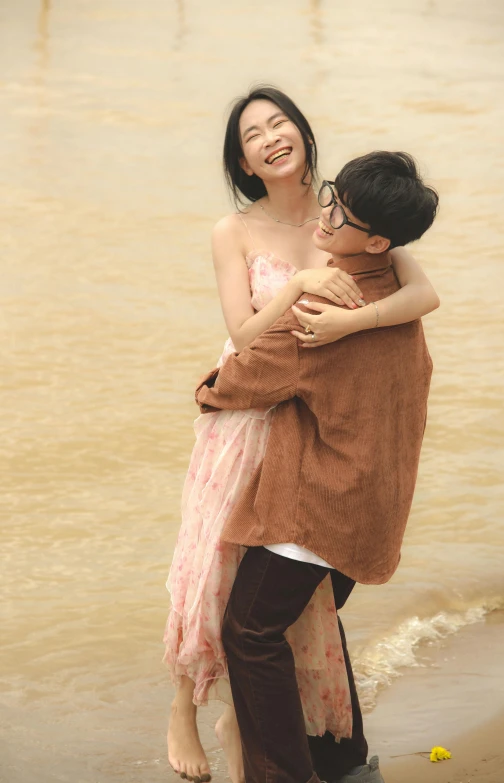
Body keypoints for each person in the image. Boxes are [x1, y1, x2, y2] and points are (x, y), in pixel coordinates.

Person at [164, 87, 440, 783]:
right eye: (252, 132)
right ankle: (292, 743)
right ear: (243, 159)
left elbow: (421, 293)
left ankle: (283, 755)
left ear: (304, 133)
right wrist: (301, 297)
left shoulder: (350, 231)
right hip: (282, 434)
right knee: (223, 582)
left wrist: (344, 322)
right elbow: (246, 333)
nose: (269, 136)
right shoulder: (340, 230)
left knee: (254, 620)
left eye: (279, 120)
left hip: (303, 445)